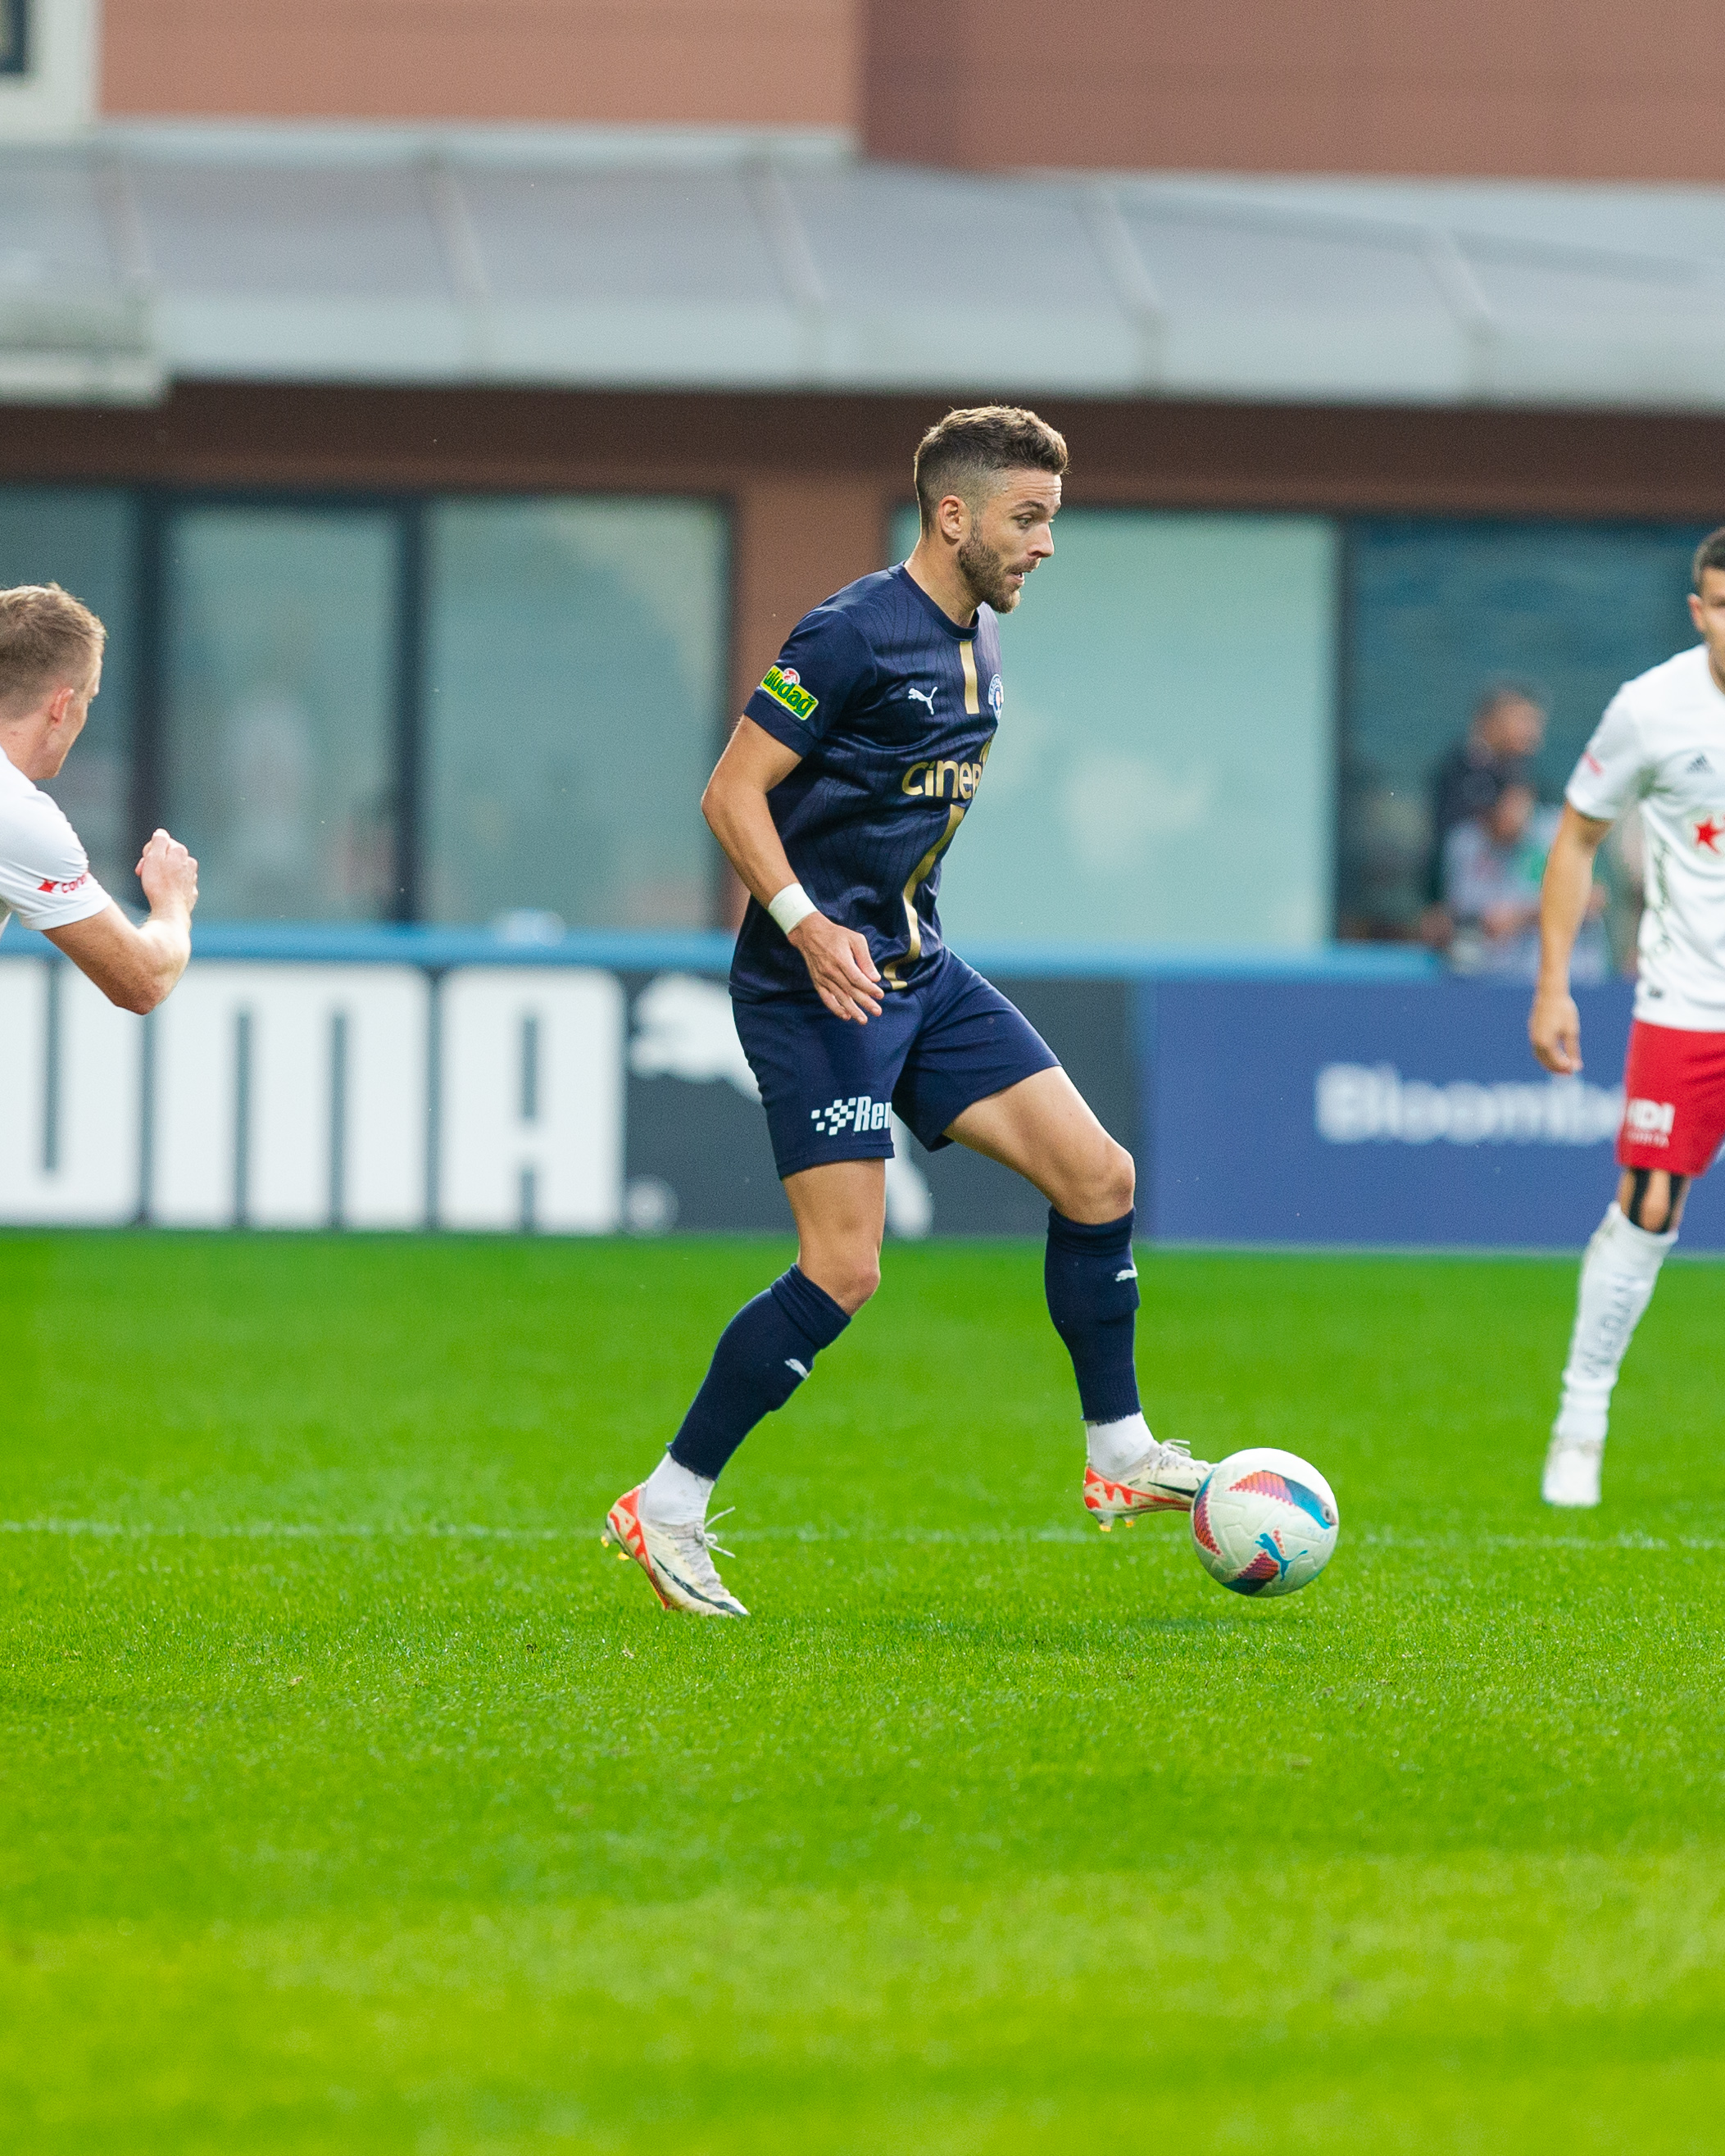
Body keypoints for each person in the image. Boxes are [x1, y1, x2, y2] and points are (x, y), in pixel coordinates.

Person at [602, 406, 1211, 1616]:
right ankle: (664, 1506)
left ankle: (1119, 1453)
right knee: (842, 1268)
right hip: (813, 985)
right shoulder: (849, 633)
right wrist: (804, 922)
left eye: (1050, 519)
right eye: (1027, 518)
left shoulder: (981, 636)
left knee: (1099, 1178)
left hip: (916, 968)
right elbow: (730, 793)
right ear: (952, 515)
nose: (1045, 543)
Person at [1531, 524, 1725, 1508]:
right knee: (1648, 1208)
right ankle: (1581, 1419)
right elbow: (1574, 840)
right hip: (1687, 1002)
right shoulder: (1649, 710)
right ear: (1697, 611)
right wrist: (1551, 984)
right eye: (1723, 608)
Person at [0, 583, 197, 1010]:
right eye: (89, 699)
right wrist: (173, 903)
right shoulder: (13, 813)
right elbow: (143, 980)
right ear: (61, 706)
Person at [1445, 779, 1607, 980]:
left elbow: (1593, 899)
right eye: (1485, 812)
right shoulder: (1467, 841)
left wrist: (1522, 916)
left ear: (1521, 798)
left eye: (1499, 808)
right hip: (1495, 975)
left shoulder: (1559, 829)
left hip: (1568, 977)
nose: (1492, 819)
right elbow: (1460, 912)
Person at [1431, 684, 1547, 868]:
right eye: (1523, 721)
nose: (1532, 732)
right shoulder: (1463, 768)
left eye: (1536, 723)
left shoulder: (1516, 768)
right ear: (1492, 723)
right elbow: (1498, 827)